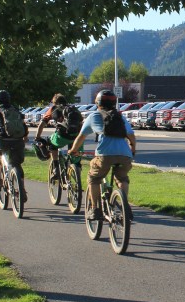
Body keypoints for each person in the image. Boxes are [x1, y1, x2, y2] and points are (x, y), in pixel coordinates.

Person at [70, 90, 136, 221]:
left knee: (94, 178)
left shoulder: (93, 116)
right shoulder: (120, 117)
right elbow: (131, 135)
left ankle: (95, 209)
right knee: (122, 178)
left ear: (97, 103)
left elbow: (81, 137)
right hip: (125, 155)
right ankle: (125, 206)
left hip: (105, 155)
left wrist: (73, 150)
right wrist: (132, 149)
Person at [34, 93, 69, 178]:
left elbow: (42, 124)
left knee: (51, 143)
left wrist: (37, 137)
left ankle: (56, 169)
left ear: (54, 103)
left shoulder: (54, 109)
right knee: (73, 155)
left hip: (62, 135)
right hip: (76, 136)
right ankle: (76, 170)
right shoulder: (72, 109)